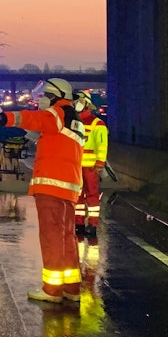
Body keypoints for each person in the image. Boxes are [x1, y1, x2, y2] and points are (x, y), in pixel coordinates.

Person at [0, 77, 86, 305]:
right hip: (69, 186)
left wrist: (6, 117)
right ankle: (71, 289)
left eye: (46, 94)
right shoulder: (75, 119)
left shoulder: (58, 112)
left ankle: (52, 290)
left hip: (51, 185)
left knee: (51, 236)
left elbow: (36, 119)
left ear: (56, 96)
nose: (42, 99)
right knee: (66, 237)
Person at [73, 91, 108, 240]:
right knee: (77, 197)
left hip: (91, 167)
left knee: (92, 196)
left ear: (87, 103)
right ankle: (79, 224)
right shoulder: (74, 123)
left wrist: (100, 163)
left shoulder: (97, 124)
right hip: (75, 167)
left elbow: (102, 145)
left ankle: (92, 225)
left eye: (80, 101)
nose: (77, 104)